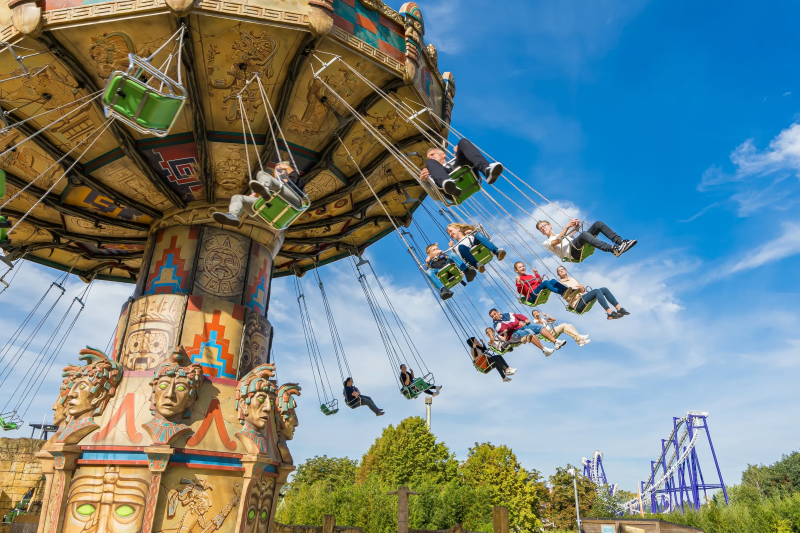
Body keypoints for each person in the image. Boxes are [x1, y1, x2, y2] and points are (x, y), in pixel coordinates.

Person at [213, 162, 305, 226]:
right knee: (237, 198)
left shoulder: (293, 182)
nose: (279, 174)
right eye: (278, 172)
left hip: (292, 202)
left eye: (282, 172)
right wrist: (255, 199)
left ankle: (265, 188)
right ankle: (233, 215)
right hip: (272, 214)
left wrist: (285, 167)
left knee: (262, 174)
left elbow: (298, 179)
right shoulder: (273, 185)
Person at [420, 138, 503, 199]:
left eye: (432, 154)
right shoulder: (432, 173)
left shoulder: (455, 161)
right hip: (450, 192)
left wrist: (461, 151)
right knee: (429, 163)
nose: (430, 157)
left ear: (443, 154)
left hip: (464, 170)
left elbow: (462, 157)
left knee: (462, 142)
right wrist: (423, 182)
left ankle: (486, 170)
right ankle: (448, 184)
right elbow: (437, 198)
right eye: (429, 157)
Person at [536, 218, 637, 260]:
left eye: (544, 225)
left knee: (598, 224)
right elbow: (557, 241)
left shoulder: (560, 234)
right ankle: (613, 249)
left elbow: (574, 232)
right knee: (584, 234)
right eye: (541, 229)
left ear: (550, 225)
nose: (543, 228)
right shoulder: (546, 242)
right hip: (572, 253)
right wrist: (567, 226)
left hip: (576, 245)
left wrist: (575, 225)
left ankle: (621, 243)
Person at [556, 266, 629, 319]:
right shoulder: (560, 283)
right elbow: (566, 296)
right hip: (577, 303)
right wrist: (577, 289)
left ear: (566, 270)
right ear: (558, 274)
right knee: (596, 291)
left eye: (563, 269)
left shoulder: (572, 279)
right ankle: (609, 312)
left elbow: (581, 290)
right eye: (559, 270)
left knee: (604, 289)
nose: (562, 270)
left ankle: (619, 308)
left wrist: (582, 289)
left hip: (583, 297)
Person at [489, 309, 566, 356]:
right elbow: (506, 328)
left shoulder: (507, 314)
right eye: (492, 316)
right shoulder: (496, 325)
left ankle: (555, 342)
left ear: (498, 312)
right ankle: (544, 349)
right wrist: (517, 323)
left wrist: (525, 319)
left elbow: (518, 315)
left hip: (522, 326)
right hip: (513, 334)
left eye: (494, 314)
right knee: (529, 332)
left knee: (539, 326)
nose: (494, 316)